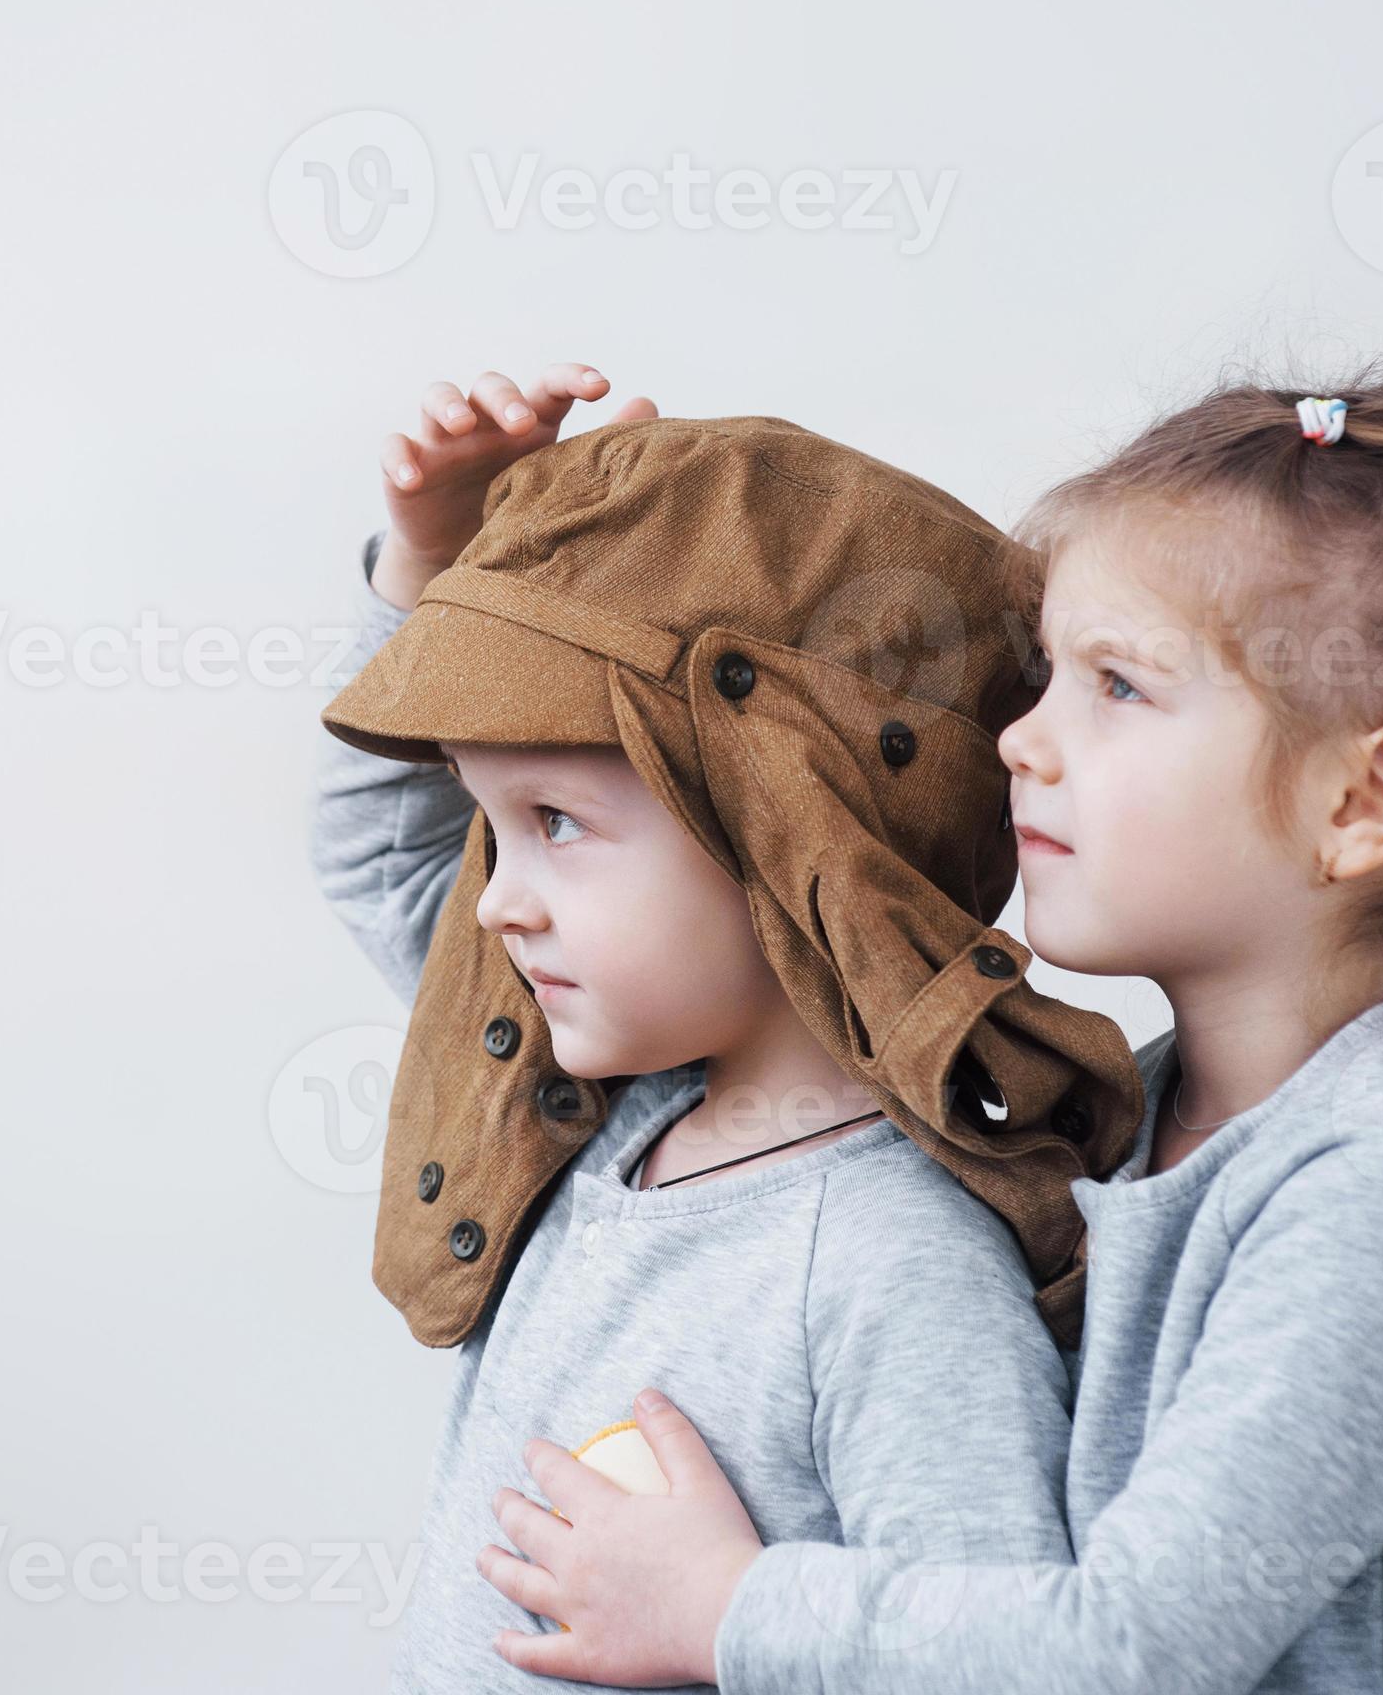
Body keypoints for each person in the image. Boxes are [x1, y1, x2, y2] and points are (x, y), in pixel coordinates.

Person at [468, 370, 1383, 1693]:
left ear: (1363, 801)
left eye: (1118, 687)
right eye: (1047, 679)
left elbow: (1127, 1652)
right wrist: (579, 557)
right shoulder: (1132, 1116)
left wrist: (726, 1609)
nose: (1023, 741)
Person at [309, 369, 1141, 1692]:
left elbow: (999, 1661)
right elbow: (378, 856)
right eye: (490, 822)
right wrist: (426, 559)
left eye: (557, 824)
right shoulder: (591, 1112)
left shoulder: (891, 1268)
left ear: (779, 832)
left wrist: (729, 1611)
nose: (499, 901)